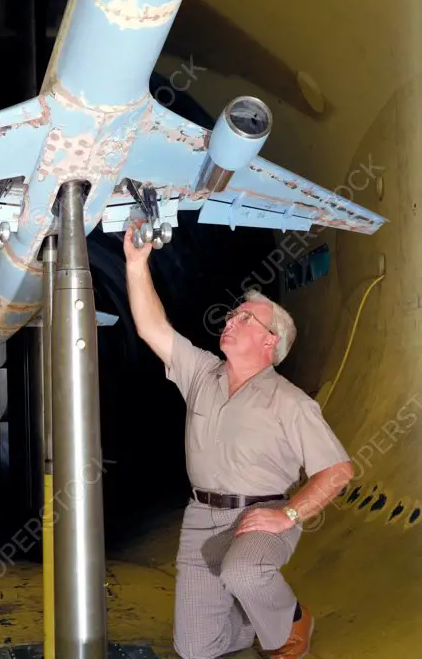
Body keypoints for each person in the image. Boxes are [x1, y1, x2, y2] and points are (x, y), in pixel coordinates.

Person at [123, 219, 355, 659]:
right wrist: (137, 265)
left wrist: (287, 514)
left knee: (245, 572)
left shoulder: (290, 402)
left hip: (260, 515)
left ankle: (292, 618)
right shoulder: (201, 372)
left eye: (246, 319)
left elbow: (339, 470)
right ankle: (252, 624)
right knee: (194, 649)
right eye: (234, 314)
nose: (232, 319)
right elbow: (153, 329)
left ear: (271, 343)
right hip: (200, 519)